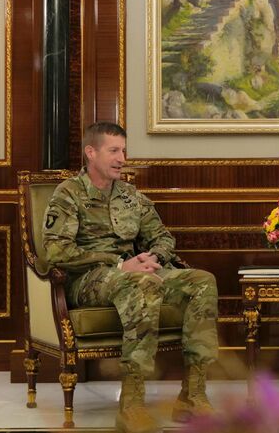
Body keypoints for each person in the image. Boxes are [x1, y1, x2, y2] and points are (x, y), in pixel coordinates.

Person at [43, 122, 218, 433]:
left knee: (202, 281)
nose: (121, 158)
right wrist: (121, 265)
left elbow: (163, 237)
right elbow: (56, 253)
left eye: (123, 150)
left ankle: (193, 394)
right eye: (114, 150)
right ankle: (132, 405)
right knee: (142, 283)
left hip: (135, 271)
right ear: (91, 152)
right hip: (89, 279)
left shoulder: (130, 196)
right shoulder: (68, 194)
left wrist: (154, 258)